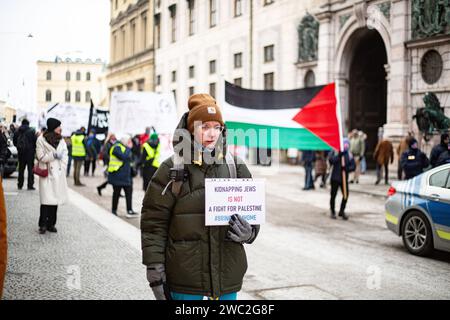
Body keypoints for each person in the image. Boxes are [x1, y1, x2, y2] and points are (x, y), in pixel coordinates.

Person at [141, 93, 260, 300]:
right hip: (185, 282)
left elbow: (253, 214)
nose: (212, 133)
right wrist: (155, 269)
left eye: (217, 127)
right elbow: (154, 223)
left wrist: (249, 233)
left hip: (226, 280)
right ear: (190, 130)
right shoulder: (172, 168)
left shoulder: (235, 166)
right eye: (204, 127)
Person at [35, 118, 68, 234]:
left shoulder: (62, 140)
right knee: (45, 201)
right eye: (59, 126)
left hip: (58, 173)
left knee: (55, 200)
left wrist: (62, 167)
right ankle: (43, 224)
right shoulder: (41, 140)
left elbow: (65, 156)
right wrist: (53, 155)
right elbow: (40, 157)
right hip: (47, 173)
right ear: (54, 127)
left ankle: (51, 224)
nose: (61, 128)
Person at [107, 134, 138, 217]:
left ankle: (129, 210)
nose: (130, 143)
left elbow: (131, 158)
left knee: (129, 194)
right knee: (116, 193)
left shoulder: (125, 148)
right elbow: (124, 157)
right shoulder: (116, 147)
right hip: (118, 176)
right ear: (124, 141)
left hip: (127, 176)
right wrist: (128, 148)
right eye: (129, 141)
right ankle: (114, 210)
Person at [328, 138, 356, 220]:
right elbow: (331, 160)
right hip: (335, 178)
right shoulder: (335, 151)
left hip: (344, 179)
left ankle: (342, 210)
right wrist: (339, 156)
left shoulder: (349, 154)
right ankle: (332, 211)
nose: (346, 146)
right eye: (344, 144)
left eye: (347, 144)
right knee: (333, 195)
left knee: (345, 195)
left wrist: (346, 169)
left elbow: (353, 166)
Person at [13, 119, 37, 190]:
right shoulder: (32, 131)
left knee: (21, 169)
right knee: (30, 170)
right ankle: (30, 185)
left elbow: (14, 141)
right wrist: (33, 149)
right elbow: (35, 142)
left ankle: (20, 184)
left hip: (21, 153)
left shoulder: (17, 131)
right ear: (28, 123)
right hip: (30, 153)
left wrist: (19, 148)